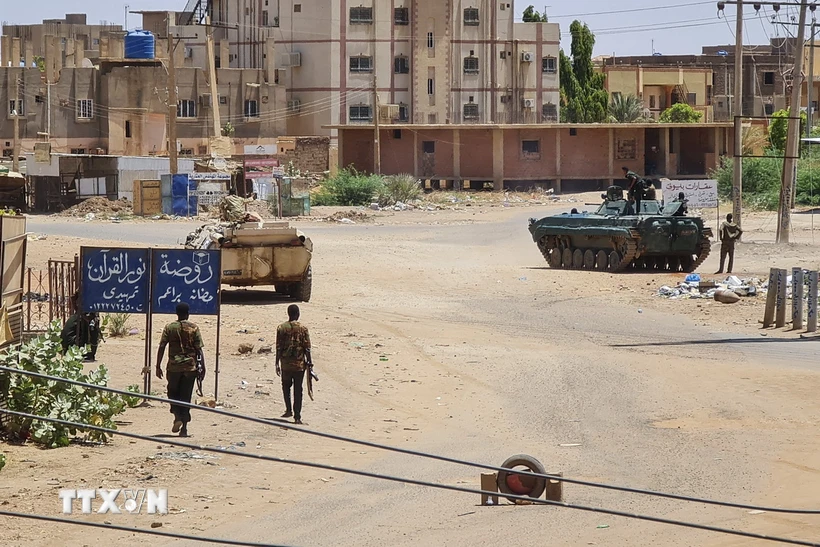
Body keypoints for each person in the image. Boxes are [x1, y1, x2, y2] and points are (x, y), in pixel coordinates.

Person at [156, 302, 205, 437]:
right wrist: (203, 367)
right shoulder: (194, 328)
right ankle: (184, 428)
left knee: (172, 393)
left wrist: (157, 365)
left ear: (176, 313)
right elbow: (199, 349)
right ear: (188, 313)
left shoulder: (169, 327)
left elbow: (162, 346)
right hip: (190, 367)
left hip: (174, 367)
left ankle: (177, 415)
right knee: (186, 396)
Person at [276, 304, 312, 425]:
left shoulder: (281, 328)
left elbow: (278, 347)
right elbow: (307, 348)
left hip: (285, 364)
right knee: (298, 390)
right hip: (299, 365)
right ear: (298, 314)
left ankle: (288, 410)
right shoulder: (303, 329)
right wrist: (310, 363)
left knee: (286, 387)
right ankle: (297, 417)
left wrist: (276, 362)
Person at [60, 294, 101, 362]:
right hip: (70, 349)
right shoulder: (80, 320)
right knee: (91, 329)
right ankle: (86, 354)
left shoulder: (76, 317)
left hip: (65, 349)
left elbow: (73, 297)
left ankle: (85, 353)